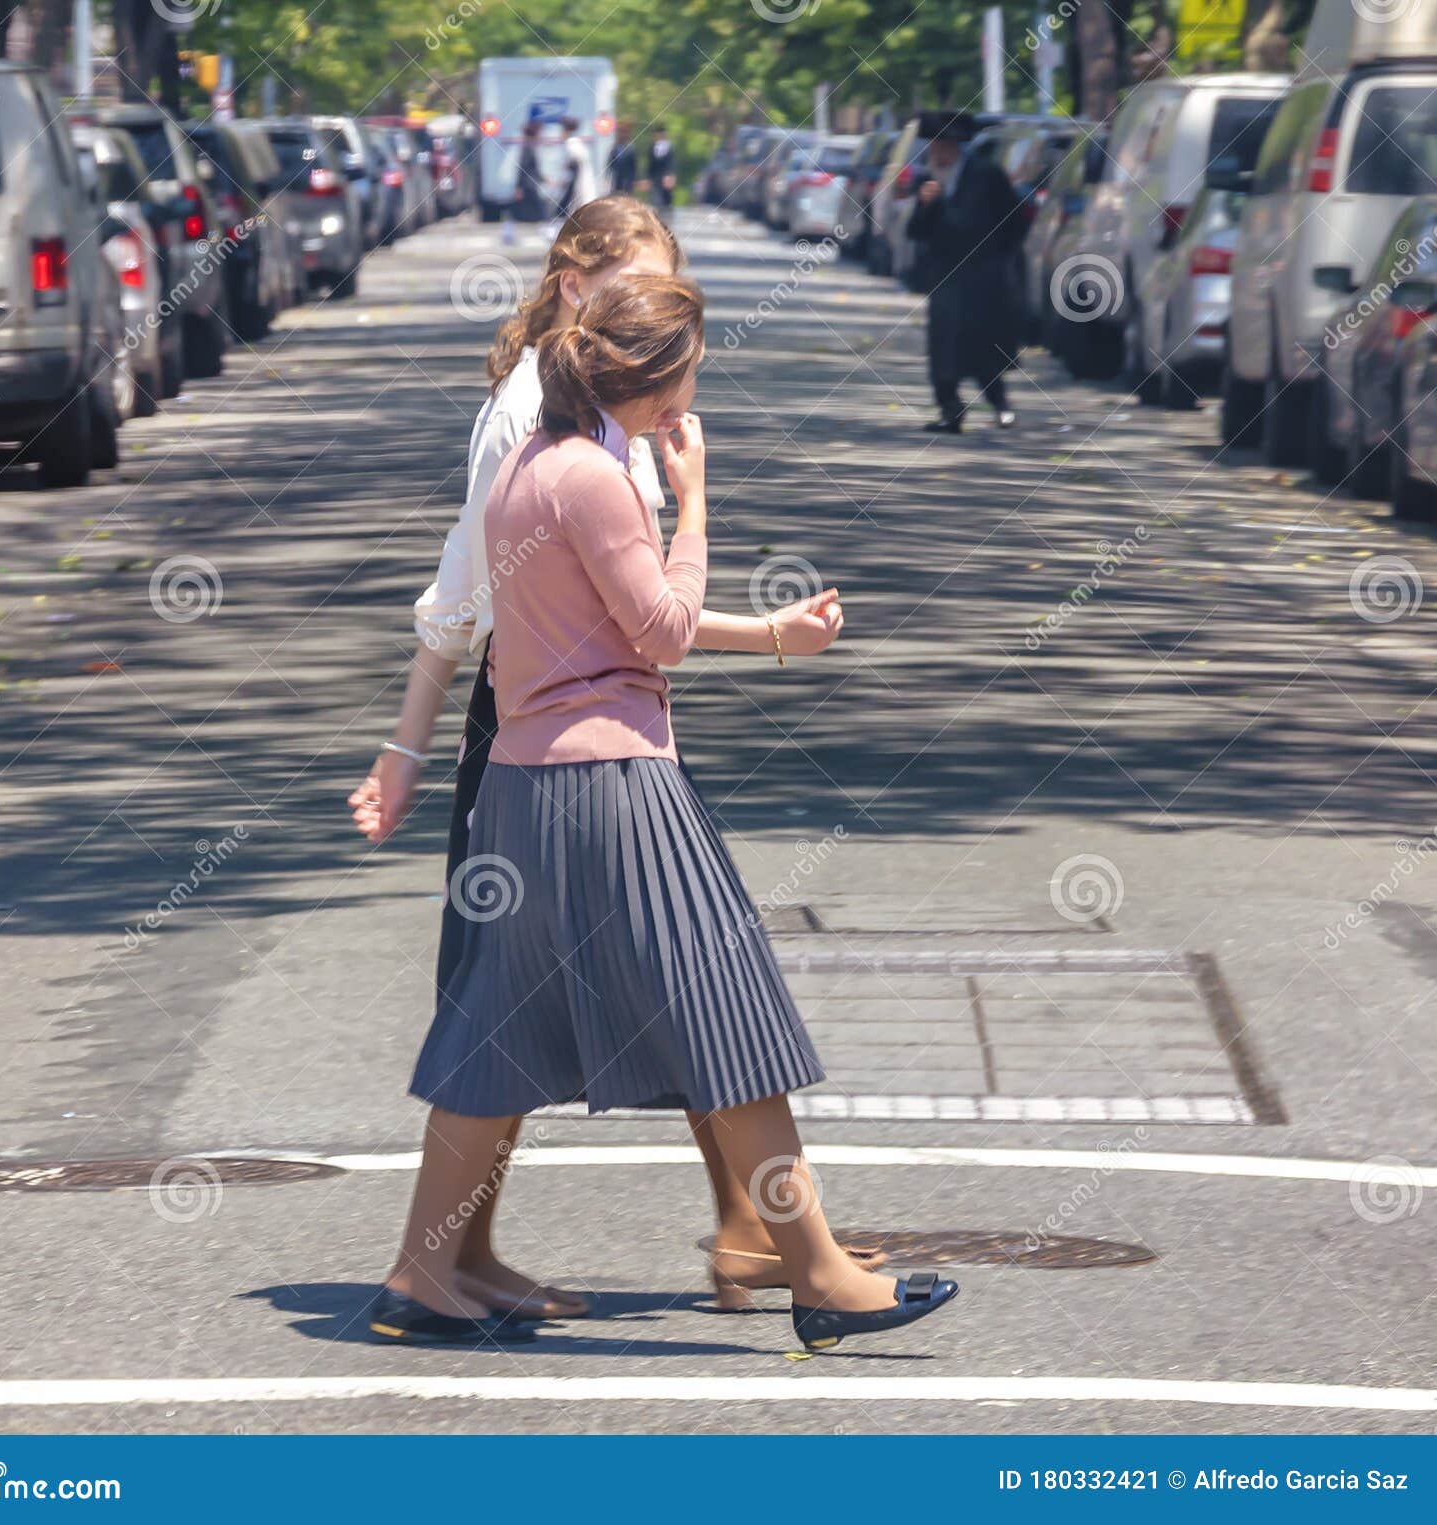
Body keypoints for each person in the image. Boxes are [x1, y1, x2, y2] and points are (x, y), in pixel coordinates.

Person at [364, 273, 960, 1351]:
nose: (697, 389)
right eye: (691, 369)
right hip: (612, 785)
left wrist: (771, 627)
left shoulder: (530, 470)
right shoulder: (594, 477)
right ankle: (819, 1272)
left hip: (523, 784)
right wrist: (699, 504)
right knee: (727, 1013)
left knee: (494, 1036)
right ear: (655, 378)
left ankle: (421, 1272)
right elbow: (661, 630)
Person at [905, 110, 1025, 433]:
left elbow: (1010, 221)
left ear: (956, 146)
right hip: (945, 272)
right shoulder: (927, 180)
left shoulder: (985, 175)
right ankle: (950, 409)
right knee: (943, 343)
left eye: (943, 146)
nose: (937, 154)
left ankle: (1000, 404)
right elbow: (915, 231)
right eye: (933, 146)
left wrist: (1001, 258)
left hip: (983, 272)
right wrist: (927, 205)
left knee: (983, 342)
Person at [557, 116, 597, 216]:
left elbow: (574, 167)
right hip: (581, 181)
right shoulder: (578, 143)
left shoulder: (571, 144)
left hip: (578, 184)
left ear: (565, 130)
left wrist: (564, 182)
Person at [512, 120, 548, 225]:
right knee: (539, 209)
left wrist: (544, 178)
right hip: (529, 184)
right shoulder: (528, 148)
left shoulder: (529, 147)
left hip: (530, 183)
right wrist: (519, 187)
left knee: (532, 208)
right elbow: (522, 169)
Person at [647, 122, 677, 216]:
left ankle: (667, 217)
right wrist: (648, 178)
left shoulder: (669, 148)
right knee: (655, 200)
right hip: (655, 178)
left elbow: (672, 163)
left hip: (666, 178)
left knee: (666, 201)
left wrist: (671, 175)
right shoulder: (652, 148)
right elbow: (650, 165)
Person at [608, 121, 638, 195]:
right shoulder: (614, 148)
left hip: (627, 182)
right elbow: (610, 164)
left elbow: (634, 167)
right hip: (616, 181)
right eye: (620, 132)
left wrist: (634, 180)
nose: (622, 134)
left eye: (624, 132)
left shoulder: (631, 149)